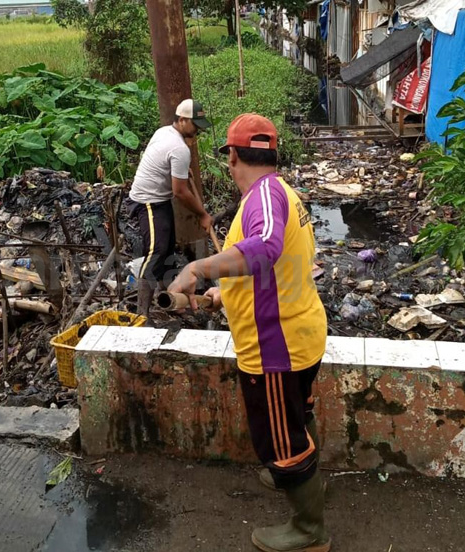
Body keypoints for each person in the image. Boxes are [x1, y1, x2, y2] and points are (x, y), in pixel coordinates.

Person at [168, 114, 330, 552]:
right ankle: (302, 475)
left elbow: (263, 250)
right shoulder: (281, 192)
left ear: (233, 156)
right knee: (296, 417)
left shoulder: (261, 199)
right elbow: (279, 266)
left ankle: (309, 529)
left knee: (282, 438)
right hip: (303, 332)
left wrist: (198, 267)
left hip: (276, 347)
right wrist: (221, 295)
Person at [127, 98, 214, 318]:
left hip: (159, 199)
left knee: (166, 249)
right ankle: (142, 315)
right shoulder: (178, 148)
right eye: (195, 126)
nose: (197, 132)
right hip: (149, 201)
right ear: (183, 120)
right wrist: (203, 215)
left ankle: (167, 299)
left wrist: (183, 171)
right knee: (155, 253)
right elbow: (180, 192)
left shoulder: (165, 132)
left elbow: (168, 168)